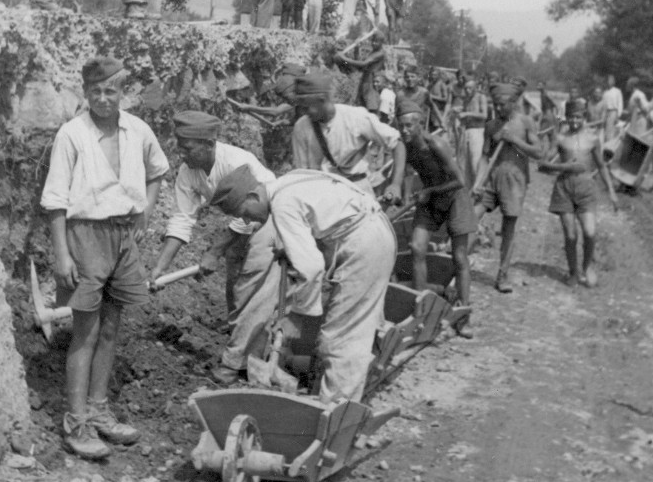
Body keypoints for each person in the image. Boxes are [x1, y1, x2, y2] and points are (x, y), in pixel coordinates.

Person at [40, 57, 170, 459]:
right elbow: (56, 200)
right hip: (86, 235)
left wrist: (145, 213)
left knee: (112, 327)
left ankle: (98, 412)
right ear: (86, 93)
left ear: (122, 92)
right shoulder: (72, 135)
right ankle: (76, 421)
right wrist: (62, 253)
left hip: (123, 235)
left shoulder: (138, 130)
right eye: (94, 91)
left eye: (110, 91)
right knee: (86, 331)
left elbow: (157, 171)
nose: (102, 99)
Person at [210, 165, 397, 403]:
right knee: (341, 325)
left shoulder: (282, 204)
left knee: (341, 338)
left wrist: (296, 316)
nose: (247, 220)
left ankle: (336, 414)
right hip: (367, 233)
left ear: (254, 196)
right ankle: (329, 391)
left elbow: (311, 268)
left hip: (364, 244)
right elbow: (320, 218)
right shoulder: (287, 182)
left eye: (244, 212)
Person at [151, 111, 281, 385]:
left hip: (271, 220)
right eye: (180, 145)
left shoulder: (236, 162)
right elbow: (182, 219)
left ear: (209, 143)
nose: (181, 153)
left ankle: (238, 363)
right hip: (242, 222)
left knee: (253, 288)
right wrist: (160, 268)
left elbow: (249, 211)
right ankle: (244, 339)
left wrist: (213, 252)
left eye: (187, 147)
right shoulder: (188, 173)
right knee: (236, 283)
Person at [397, 98, 477, 337]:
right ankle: (421, 309)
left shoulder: (436, 145)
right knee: (416, 247)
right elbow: (404, 174)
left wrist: (429, 191)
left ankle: (463, 316)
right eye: (401, 125)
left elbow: (460, 181)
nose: (404, 130)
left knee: (459, 257)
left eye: (409, 125)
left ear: (421, 124)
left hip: (455, 197)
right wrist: (401, 196)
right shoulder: (405, 145)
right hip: (430, 197)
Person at [538, 98, 618, 288]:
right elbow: (542, 165)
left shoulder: (593, 138)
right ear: (566, 118)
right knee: (571, 236)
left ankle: (587, 266)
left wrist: (612, 192)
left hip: (586, 189)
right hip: (564, 188)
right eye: (571, 118)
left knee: (590, 232)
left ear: (584, 117)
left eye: (578, 117)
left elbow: (601, 166)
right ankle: (573, 271)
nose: (574, 121)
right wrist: (565, 165)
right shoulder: (560, 139)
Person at [473, 81, 544, 293]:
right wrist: (478, 182)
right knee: (471, 217)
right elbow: (485, 157)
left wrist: (513, 140)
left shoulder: (525, 122)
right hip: (491, 179)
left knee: (508, 227)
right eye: (495, 105)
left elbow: (539, 152)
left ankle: (502, 275)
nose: (498, 109)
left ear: (513, 103)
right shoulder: (491, 125)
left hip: (515, 181)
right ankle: (458, 267)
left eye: (502, 105)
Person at [291, 71, 406, 200]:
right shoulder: (301, 127)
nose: (303, 113)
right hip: (322, 196)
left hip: (357, 191)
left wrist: (396, 184)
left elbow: (397, 143)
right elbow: (303, 173)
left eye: (307, 108)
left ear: (322, 100)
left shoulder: (354, 117)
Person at [337, 29, 387, 112]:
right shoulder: (373, 52)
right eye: (373, 41)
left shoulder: (379, 54)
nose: (374, 43)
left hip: (371, 83)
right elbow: (359, 66)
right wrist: (356, 49)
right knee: (362, 106)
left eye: (376, 42)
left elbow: (363, 63)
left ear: (382, 43)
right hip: (365, 81)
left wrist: (343, 58)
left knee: (371, 107)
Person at [459, 77, 488, 188]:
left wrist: (467, 113)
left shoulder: (481, 97)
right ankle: (469, 190)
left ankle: (479, 188)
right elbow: (465, 114)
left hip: (478, 131)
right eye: (465, 88)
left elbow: (484, 115)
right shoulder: (466, 99)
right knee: (464, 163)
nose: (467, 91)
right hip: (466, 130)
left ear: (475, 88)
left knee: (475, 161)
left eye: (470, 88)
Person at [602, 74, 624, 142]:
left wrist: (618, 115)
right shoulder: (605, 92)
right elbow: (603, 104)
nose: (609, 82)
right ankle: (605, 144)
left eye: (610, 80)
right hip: (605, 112)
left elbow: (620, 104)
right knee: (604, 130)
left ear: (613, 82)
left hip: (613, 112)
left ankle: (610, 145)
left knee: (611, 131)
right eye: (608, 80)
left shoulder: (617, 91)